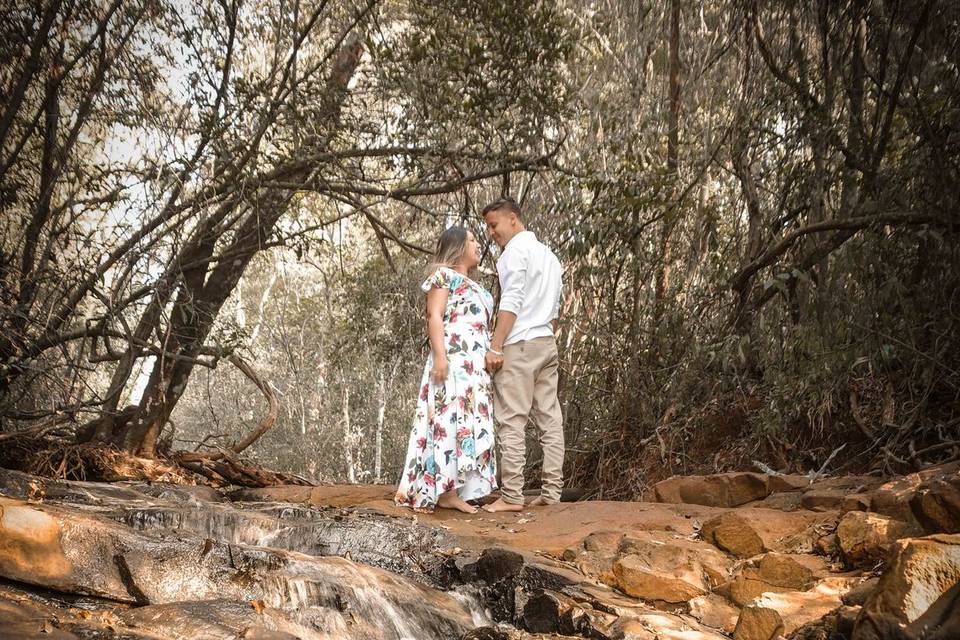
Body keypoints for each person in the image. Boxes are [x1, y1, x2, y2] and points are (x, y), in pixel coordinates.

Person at [394, 226, 497, 514]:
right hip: (452, 359)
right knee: (447, 419)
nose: (478, 245)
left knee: (470, 420)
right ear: (458, 246)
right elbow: (434, 315)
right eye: (473, 240)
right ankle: (445, 492)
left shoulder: (478, 286)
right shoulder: (443, 275)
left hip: (474, 367)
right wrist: (440, 356)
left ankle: (464, 488)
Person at [481, 197, 564, 512]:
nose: (491, 233)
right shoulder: (550, 257)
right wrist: (543, 333)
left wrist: (496, 345)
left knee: (511, 419)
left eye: (493, 225)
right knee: (549, 418)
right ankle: (552, 493)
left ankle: (512, 496)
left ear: (512, 219)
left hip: (520, 344)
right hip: (546, 342)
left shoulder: (513, 253)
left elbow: (511, 300)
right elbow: (555, 310)